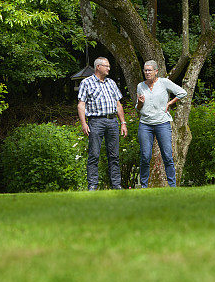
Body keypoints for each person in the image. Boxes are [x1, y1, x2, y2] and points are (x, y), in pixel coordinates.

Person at [77, 57, 128, 190]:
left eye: (109, 66)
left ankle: (116, 185)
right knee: (94, 155)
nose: (109, 68)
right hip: (95, 122)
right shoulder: (86, 83)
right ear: (98, 67)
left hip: (112, 122)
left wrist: (123, 122)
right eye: (106, 66)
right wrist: (84, 124)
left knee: (114, 155)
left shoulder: (111, 83)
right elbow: (81, 105)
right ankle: (93, 185)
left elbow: (118, 104)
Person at [135, 60, 187, 188]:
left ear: (156, 71)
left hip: (162, 123)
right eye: (145, 70)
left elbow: (182, 93)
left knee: (167, 155)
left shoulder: (164, 82)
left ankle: (172, 186)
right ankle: (144, 186)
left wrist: (170, 103)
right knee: (145, 156)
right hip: (145, 124)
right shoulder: (140, 86)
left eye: (149, 70)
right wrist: (140, 103)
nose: (147, 72)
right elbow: (138, 108)